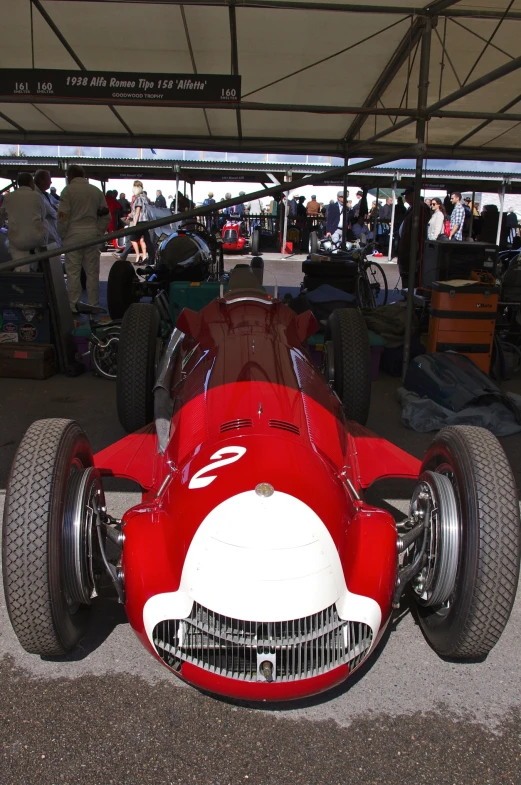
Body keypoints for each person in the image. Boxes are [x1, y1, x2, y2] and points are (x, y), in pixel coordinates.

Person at [57, 164, 110, 312]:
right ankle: (93, 304)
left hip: (72, 235)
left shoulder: (67, 191)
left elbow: (62, 217)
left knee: (73, 272)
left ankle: (74, 305)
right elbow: (106, 216)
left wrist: (62, 234)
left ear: (70, 176)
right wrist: (98, 232)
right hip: (92, 234)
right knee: (92, 272)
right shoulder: (96, 191)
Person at [3, 173, 46, 271]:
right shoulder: (38, 196)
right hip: (36, 239)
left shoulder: (9, 197)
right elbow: (43, 216)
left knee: (20, 264)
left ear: (18, 184)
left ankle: (22, 273)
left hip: (17, 240)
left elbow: (2, 216)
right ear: (31, 183)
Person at [397, 185, 431, 288]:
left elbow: (420, 228)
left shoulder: (420, 207)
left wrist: (416, 246)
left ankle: (409, 296)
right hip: (406, 246)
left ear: (413, 195)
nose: (405, 198)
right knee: (405, 272)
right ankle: (407, 295)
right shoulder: (413, 207)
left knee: (410, 274)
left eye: (407, 195)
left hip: (412, 248)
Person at [34, 169, 61, 251]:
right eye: (49, 180)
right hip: (43, 232)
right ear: (41, 181)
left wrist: (55, 207)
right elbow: (52, 212)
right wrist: (55, 208)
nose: (51, 182)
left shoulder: (46, 194)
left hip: (50, 231)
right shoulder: (36, 195)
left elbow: (59, 203)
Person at [126, 180, 150, 264]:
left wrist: (134, 224)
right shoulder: (145, 197)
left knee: (132, 239)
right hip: (146, 221)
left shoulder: (138, 198)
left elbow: (137, 212)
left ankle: (138, 256)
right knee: (142, 240)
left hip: (139, 221)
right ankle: (144, 256)